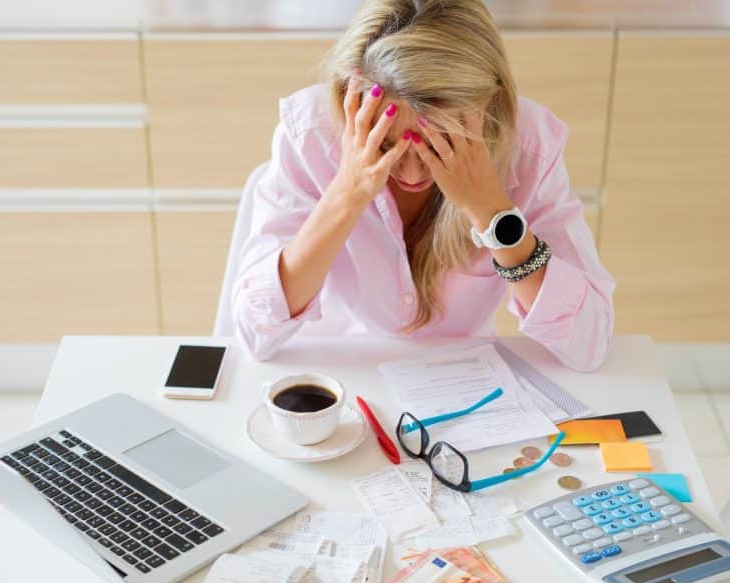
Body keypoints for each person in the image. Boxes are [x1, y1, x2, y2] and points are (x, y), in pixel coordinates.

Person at [232, 0, 615, 371]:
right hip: (338, 368)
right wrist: (346, 194)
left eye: (439, 145)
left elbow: (590, 344)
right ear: (345, 98)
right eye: (386, 145)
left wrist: (492, 212)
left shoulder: (530, 149)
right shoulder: (311, 135)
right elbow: (254, 332)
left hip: (458, 376)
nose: (412, 175)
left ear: (489, 107)